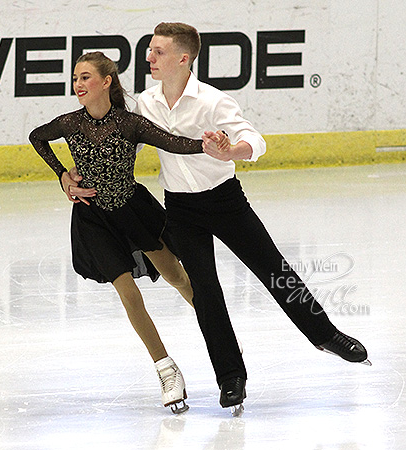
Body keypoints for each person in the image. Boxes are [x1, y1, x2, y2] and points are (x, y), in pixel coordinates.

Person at [69, 23, 370, 414]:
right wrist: (69, 175)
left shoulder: (212, 101)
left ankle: (325, 334)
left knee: (274, 269)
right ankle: (230, 376)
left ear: (183, 58)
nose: (149, 58)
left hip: (225, 202)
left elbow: (254, 140)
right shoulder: (145, 103)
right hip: (180, 209)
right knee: (206, 292)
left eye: (158, 52)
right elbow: (112, 137)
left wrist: (232, 152)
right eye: (150, 51)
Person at [28, 51, 229, 414]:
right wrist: (62, 175)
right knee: (128, 292)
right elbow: (37, 137)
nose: (78, 85)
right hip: (93, 218)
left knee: (177, 276)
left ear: (106, 82)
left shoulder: (128, 123)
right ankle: (166, 370)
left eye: (85, 77)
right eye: (75, 78)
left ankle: (223, 341)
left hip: (133, 211)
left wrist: (205, 145)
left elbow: (171, 141)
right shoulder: (69, 123)